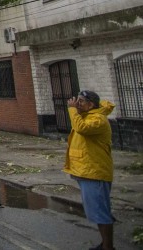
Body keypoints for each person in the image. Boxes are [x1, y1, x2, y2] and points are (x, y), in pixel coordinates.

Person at [63, 90, 117, 250]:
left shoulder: (98, 119)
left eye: (80, 101)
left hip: (95, 172)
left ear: (90, 104)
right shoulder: (87, 116)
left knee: (101, 212)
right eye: (77, 101)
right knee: (97, 211)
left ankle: (108, 247)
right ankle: (105, 244)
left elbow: (81, 128)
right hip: (87, 171)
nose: (77, 104)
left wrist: (72, 110)